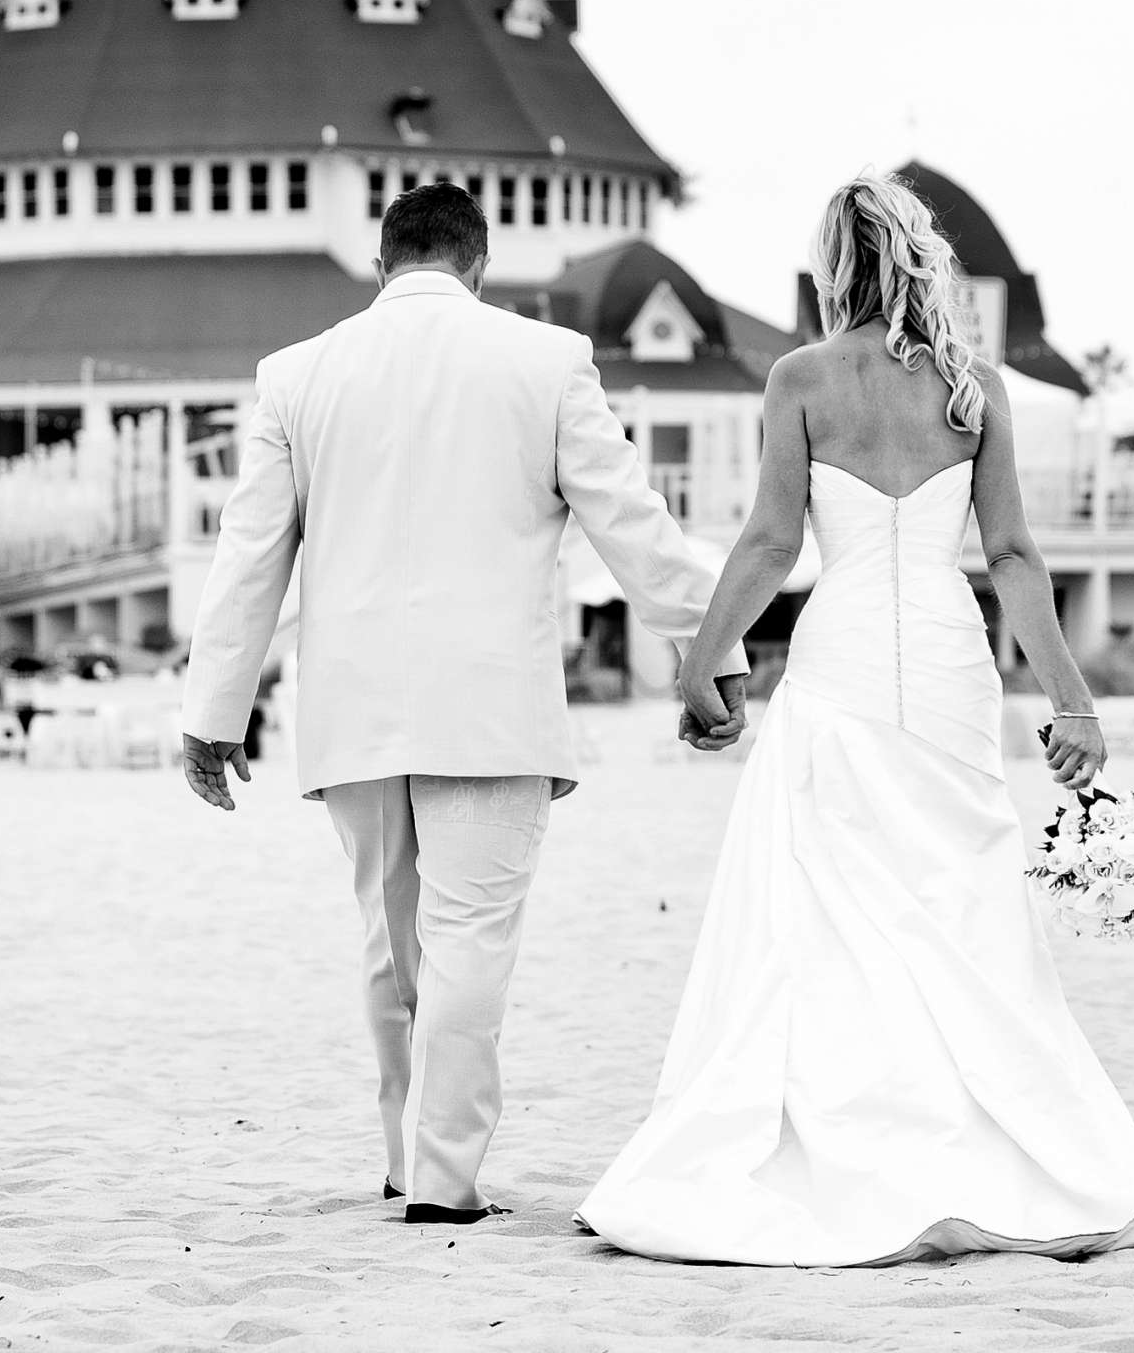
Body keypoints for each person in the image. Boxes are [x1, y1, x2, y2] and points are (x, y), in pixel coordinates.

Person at [577, 173, 1134, 1266]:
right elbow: (1011, 556)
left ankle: (863, 1135)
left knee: (829, 909)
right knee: (957, 896)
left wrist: (705, 657)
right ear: (921, 259)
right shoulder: (976, 386)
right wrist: (1072, 699)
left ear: (834, 267)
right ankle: (985, 1131)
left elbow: (774, 543)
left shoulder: (802, 379)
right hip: (954, 669)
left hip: (842, 662)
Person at [177, 182, 748, 1226]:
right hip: (490, 709)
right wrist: (708, 647)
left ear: (384, 261)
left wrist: (213, 711)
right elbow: (631, 519)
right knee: (470, 941)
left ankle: (404, 1162)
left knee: (390, 945)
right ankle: (444, 1181)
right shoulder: (545, 360)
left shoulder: (298, 375)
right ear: (478, 263)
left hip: (352, 712)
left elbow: (249, 549)